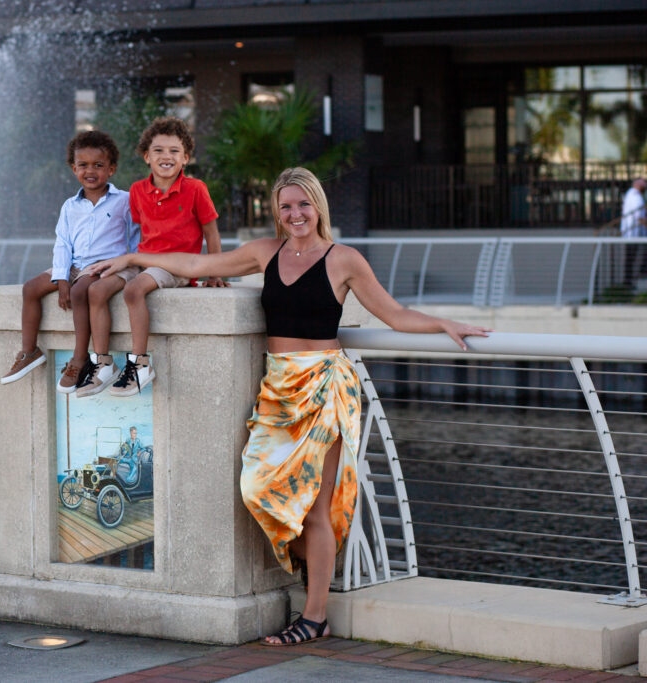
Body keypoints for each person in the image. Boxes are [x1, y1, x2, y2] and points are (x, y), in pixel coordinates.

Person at [91, 167, 491, 645]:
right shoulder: (266, 252)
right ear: (277, 213)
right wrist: (133, 257)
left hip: (325, 386)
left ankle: (314, 614)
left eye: (303, 204)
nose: (295, 214)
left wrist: (445, 324)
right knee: (257, 487)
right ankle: (311, 571)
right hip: (279, 387)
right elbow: (197, 266)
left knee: (317, 509)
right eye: (286, 207)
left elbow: (394, 313)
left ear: (318, 206)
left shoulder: (344, 259)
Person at [75, 116, 227, 398]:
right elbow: (138, 233)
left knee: (134, 290)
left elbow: (212, 232)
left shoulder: (196, 189)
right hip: (144, 261)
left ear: (185, 158)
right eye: (158, 150)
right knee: (96, 290)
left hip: (177, 265)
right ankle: (102, 362)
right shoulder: (137, 191)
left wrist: (214, 273)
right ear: (147, 156)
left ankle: (140, 364)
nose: (165, 156)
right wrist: (120, 261)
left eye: (174, 151)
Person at [0, 130, 139, 391]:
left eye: (98, 165)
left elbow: (137, 236)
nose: (91, 171)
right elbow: (62, 243)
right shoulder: (69, 206)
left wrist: (130, 266)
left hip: (104, 266)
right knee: (30, 288)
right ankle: (29, 352)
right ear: (74, 168)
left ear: (111, 169)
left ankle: (80, 358)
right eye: (83, 165)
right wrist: (61, 277)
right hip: (75, 264)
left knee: (78, 292)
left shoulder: (125, 201)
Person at [620, 177, 646, 287]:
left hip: (632, 233)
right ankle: (629, 280)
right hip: (632, 232)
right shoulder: (635, 196)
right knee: (631, 257)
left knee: (631, 257)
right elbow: (639, 216)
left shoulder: (632, 194)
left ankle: (631, 279)